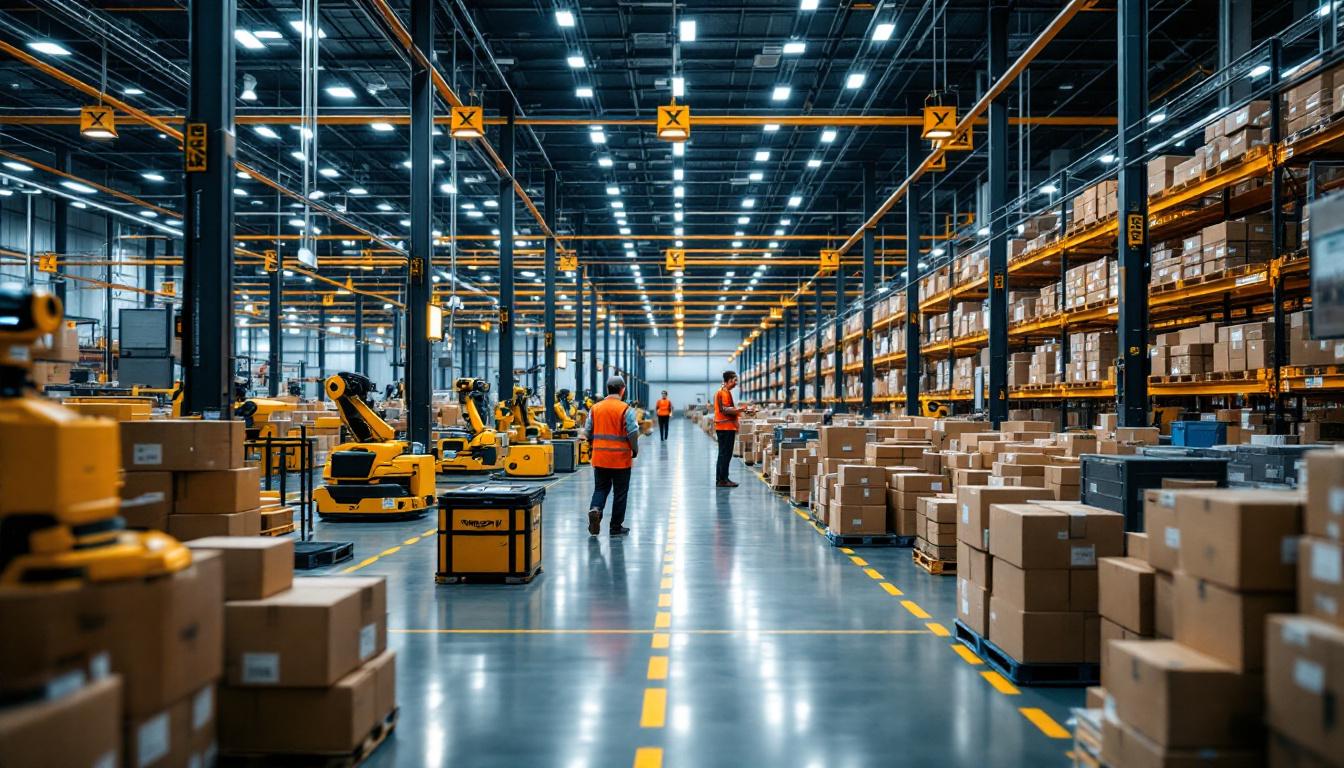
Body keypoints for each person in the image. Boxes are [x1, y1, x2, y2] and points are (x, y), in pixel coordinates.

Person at [585, 375, 641, 536]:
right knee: (620, 492)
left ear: (607, 389)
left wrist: (593, 447)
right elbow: (632, 432)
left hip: (600, 458)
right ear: (623, 390)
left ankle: (595, 510)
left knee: (601, 488)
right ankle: (615, 526)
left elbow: (587, 432)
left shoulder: (595, 408)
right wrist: (635, 450)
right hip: (620, 460)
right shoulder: (626, 409)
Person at [714, 370, 751, 488]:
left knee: (724, 454)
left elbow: (730, 409)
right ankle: (722, 480)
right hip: (724, 428)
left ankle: (723, 478)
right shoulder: (722, 393)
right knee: (725, 454)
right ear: (729, 380)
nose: (736, 383)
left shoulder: (726, 392)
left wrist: (742, 411)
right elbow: (725, 410)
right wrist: (740, 410)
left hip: (726, 427)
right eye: (735, 380)